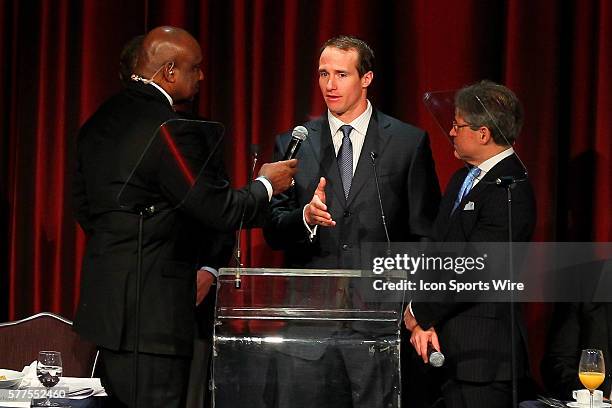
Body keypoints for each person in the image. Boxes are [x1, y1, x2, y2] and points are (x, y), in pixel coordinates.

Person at [72, 26, 297, 407]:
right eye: (196, 68)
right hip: (153, 319)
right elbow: (219, 209)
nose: (202, 76)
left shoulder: (98, 121)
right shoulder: (170, 129)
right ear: (170, 72)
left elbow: (85, 207)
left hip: (107, 311)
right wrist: (266, 185)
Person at [262, 35, 441, 407]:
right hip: (308, 326)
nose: (330, 85)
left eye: (341, 74)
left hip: (377, 322)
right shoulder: (293, 143)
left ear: (366, 79)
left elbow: (425, 236)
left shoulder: (408, 143)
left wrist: (411, 306)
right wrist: (305, 218)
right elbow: (273, 228)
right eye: (323, 74)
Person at [405, 80, 536, 408]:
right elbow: (435, 252)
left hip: (483, 361)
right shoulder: (461, 179)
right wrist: (422, 317)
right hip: (441, 350)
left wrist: (420, 313)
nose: (451, 132)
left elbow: (477, 270)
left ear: (483, 134)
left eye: (457, 125)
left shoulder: (512, 188)